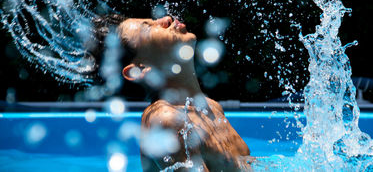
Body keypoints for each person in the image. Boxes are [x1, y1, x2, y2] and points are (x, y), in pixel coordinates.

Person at [89, 14, 253, 171]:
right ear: (139, 69)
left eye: (154, 20)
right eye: (148, 28)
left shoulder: (212, 108)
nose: (166, 19)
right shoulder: (165, 119)